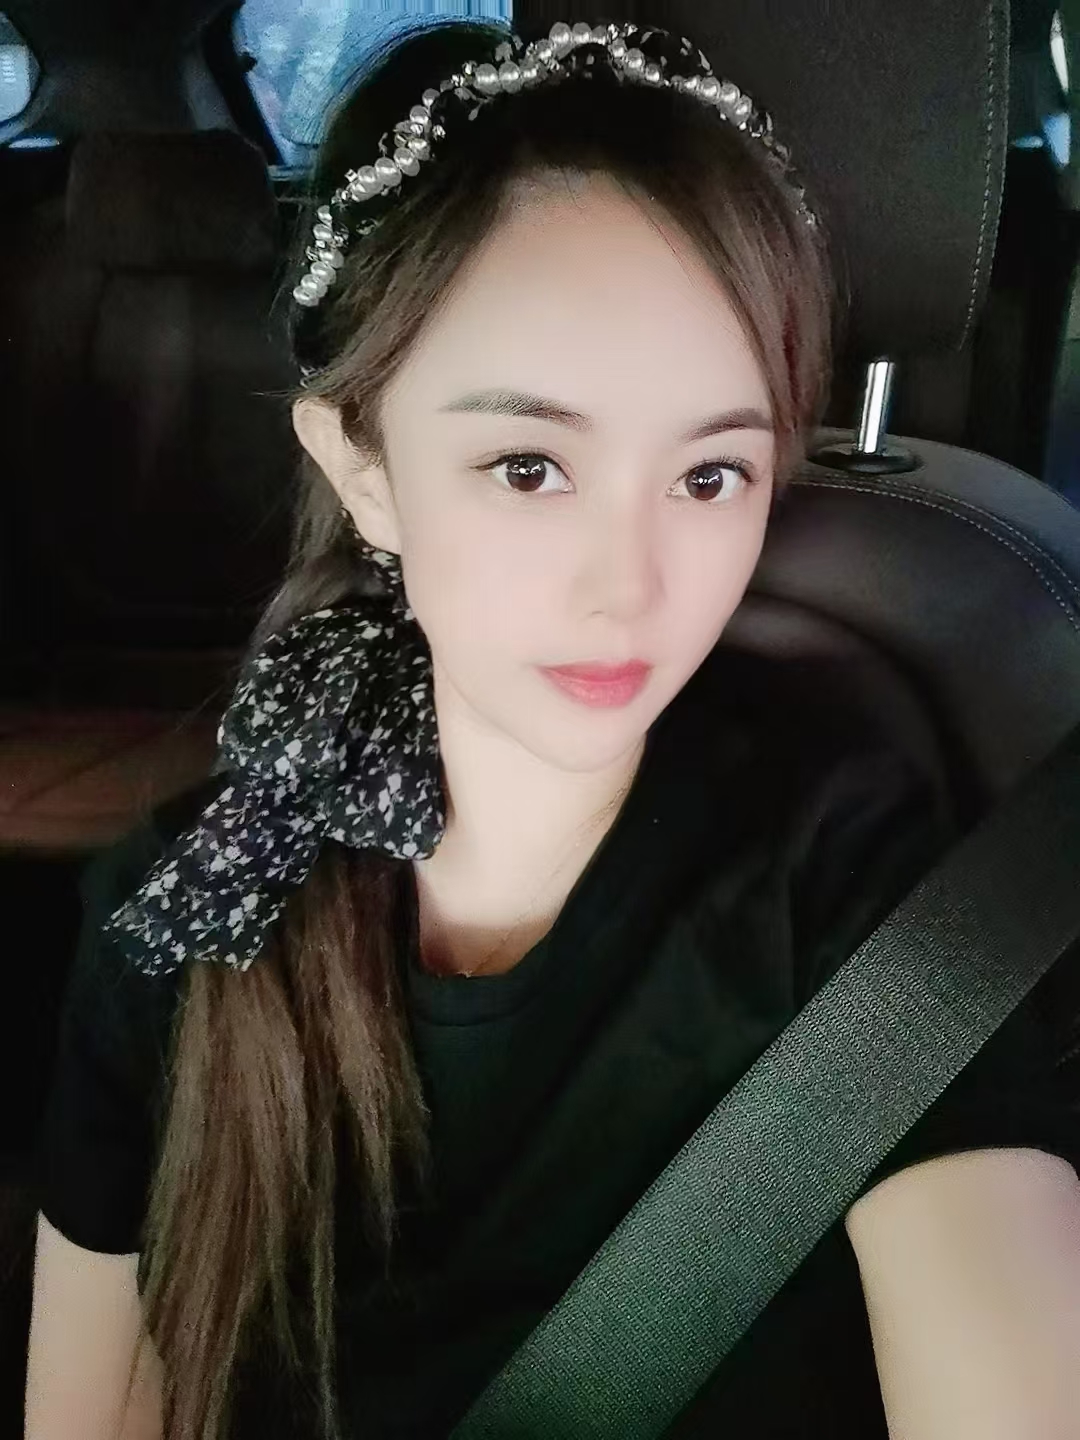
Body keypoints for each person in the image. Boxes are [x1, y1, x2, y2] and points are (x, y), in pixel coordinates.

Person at [25, 16, 1080, 1440]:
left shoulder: (857, 891)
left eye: (709, 475)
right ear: (363, 468)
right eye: (529, 466)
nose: (629, 586)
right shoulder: (182, 920)